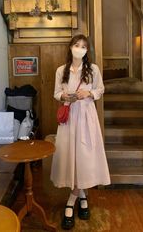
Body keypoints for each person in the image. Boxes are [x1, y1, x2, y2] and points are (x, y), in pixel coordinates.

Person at [50, 34, 111, 230]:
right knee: (71, 157)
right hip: (69, 118)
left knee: (84, 157)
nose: (80, 48)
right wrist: (65, 96)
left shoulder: (93, 69)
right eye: (77, 45)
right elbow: (56, 93)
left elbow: (100, 89)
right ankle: (83, 197)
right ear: (70, 47)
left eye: (84, 46)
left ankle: (70, 202)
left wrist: (89, 93)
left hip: (86, 117)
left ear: (87, 50)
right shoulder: (61, 70)